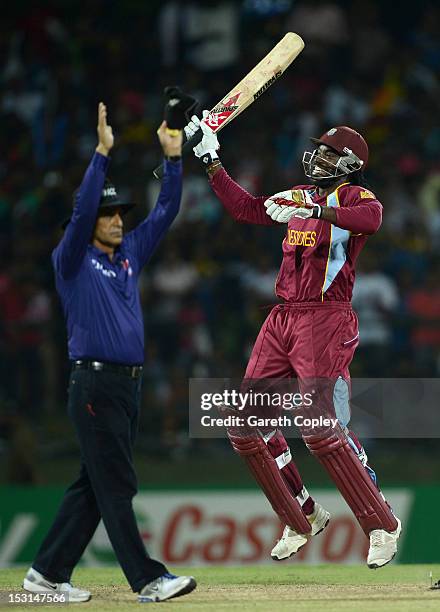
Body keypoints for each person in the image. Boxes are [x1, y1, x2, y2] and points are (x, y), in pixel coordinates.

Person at [184, 111, 401, 569]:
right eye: (318, 148)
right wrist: (211, 160)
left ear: (348, 163)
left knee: (319, 427)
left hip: (326, 318)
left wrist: (313, 210)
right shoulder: (300, 193)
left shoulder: (357, 197)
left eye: (328, 151)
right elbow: (246, 208)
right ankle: (301, 515)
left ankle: (382, 524)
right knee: (243, 424)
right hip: (282, 317)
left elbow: (372, 219)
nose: (318, 155)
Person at [23, 102, 196, 603]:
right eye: (109, 214)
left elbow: (166, 212)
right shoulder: (71, 259)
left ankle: (46, 575)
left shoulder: (127, 258)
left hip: (126, 386)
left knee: (93, 486)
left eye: (121, 213)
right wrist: (101, 153)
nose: (118, 221)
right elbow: (79, 213)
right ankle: (147, 578)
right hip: (94, 383)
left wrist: (175, 158)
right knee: (116, 484)